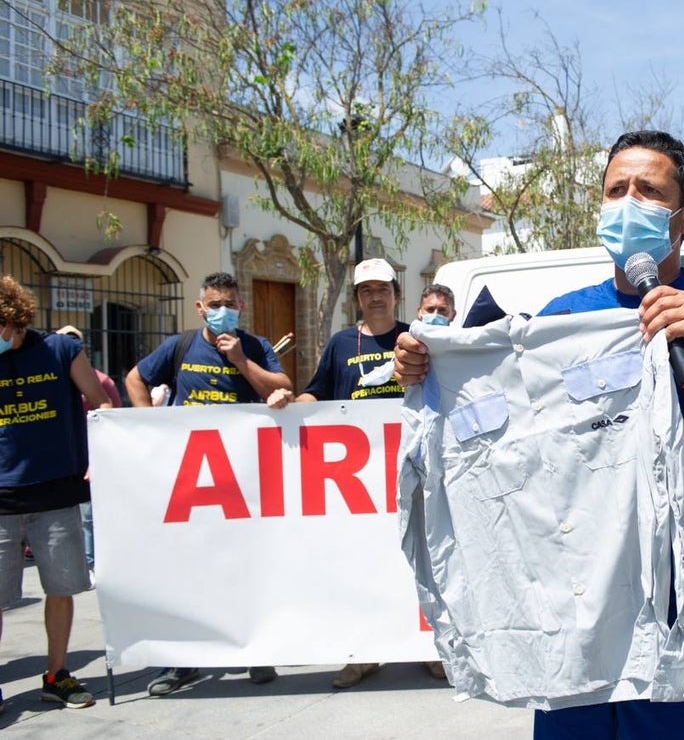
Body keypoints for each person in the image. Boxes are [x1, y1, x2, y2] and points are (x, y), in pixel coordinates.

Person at [393, 130, 684, 738]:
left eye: (648, 191)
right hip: (577, 607)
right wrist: (429, 369)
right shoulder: (561, 319)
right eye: (614, 190)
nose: (627, 203)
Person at [266, 261, 449, 686]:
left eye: (382, 288)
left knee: (423, 560)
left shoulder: (417, 337)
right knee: (364, 564)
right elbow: (319, 392)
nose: (375, 297)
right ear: (357, 298)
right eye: (365, 290)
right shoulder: (341, 343)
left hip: (414, 472)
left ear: (396, 294)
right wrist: (289, 402)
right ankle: (365, 654)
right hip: (356, 483)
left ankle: (430, 650)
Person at [125, 271, 292, 696]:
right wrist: (151, 429)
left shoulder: (255, 346)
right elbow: (135, 380)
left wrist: (241, 361)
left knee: (245, 566)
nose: (223, 312)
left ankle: (255, 651)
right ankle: (184, 663)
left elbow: (283, 388)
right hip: (190, 479)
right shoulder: (179, 345)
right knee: (188, 571)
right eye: (215, 305)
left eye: (231, 304)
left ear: (241, 308)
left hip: (243, 477)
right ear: (200, 308)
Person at [0, 276, 113, 710]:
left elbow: (101, 402)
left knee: (60, 589)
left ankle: (56, 675)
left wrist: (97, 454)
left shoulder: (61, 351)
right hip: (2, 500)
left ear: (13, 320)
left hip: (55, 496)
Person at [56, 326, 122, 579]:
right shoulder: (54, 381)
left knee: (88, 515)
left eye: (75, 343)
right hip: (65, 456)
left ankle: (90, 564)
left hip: (92, 454)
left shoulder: (101, 381)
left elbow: (112, 415)